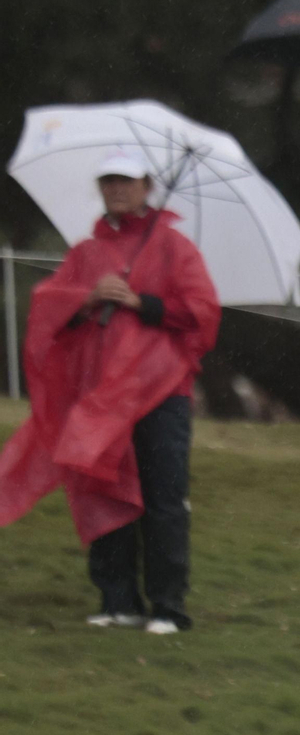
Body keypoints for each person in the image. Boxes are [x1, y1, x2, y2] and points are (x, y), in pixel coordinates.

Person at [0, 152, 220, 634]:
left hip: (161, 393)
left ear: (146, 186)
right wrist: (87, 298)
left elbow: (201, 313)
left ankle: (167, 606)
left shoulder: (175, 248)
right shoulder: (85, 253)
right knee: (100, 487)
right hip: (100, 399)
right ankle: (118, 598)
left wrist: (142, 303)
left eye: (126, 179)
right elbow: (50, 311)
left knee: (162, 497)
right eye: (108, 180)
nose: (116, 188)